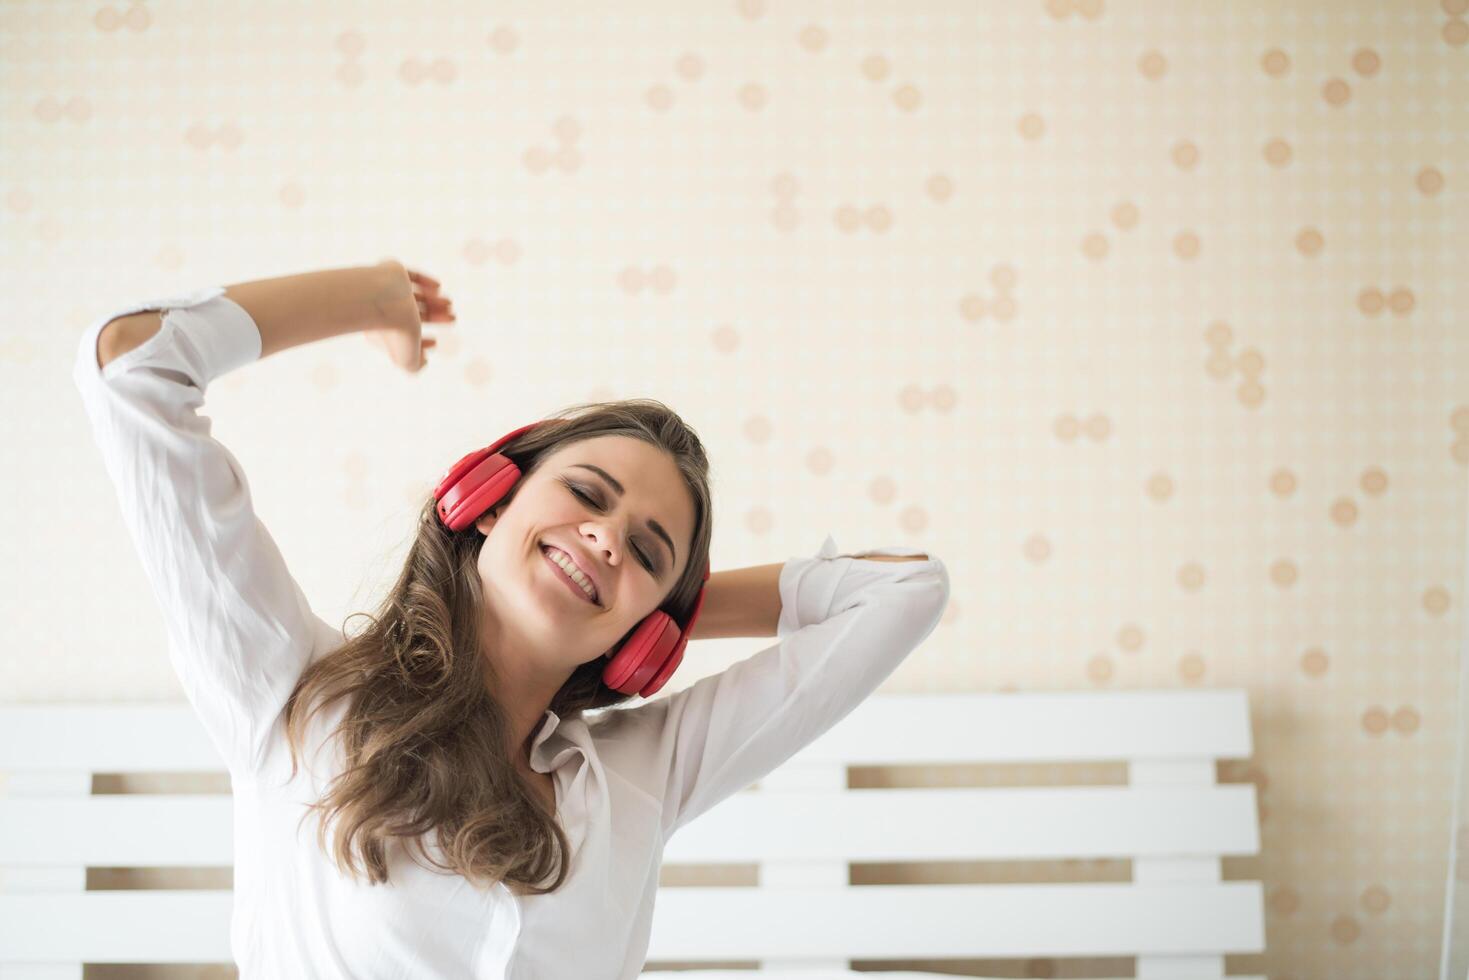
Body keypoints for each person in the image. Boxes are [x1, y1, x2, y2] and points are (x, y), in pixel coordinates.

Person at [74, 261, 950, 978]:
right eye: (585, 496)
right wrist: (373, 299)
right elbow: (132, 367)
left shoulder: (642, 776)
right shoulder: (289, 690)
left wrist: (646, 615)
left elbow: (902, 595)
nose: (608, 538)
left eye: (648, 552)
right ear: (485, 500)